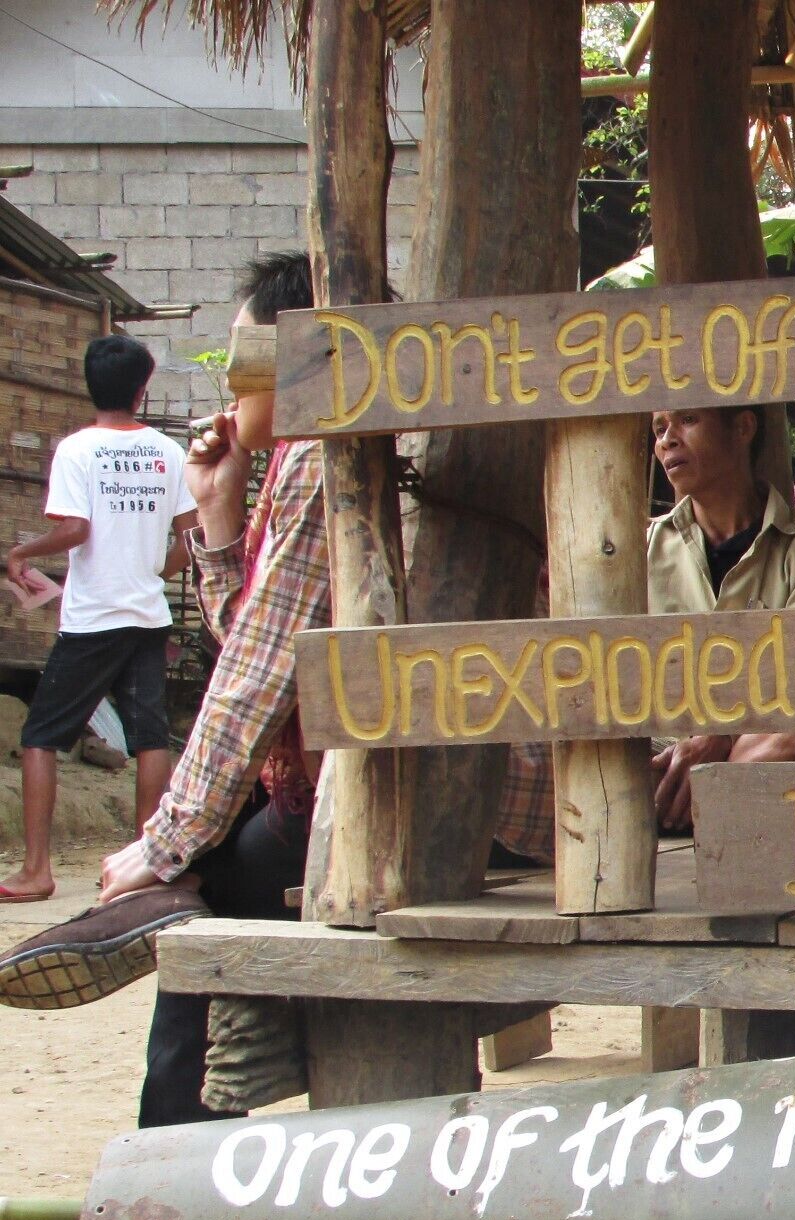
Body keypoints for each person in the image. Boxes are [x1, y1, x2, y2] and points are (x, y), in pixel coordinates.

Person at [75, 251, 551, 1128]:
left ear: (294, 353)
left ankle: (179, 1149)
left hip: (439, 794)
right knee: (222, 863)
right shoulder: (349, 442)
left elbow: (261, 671)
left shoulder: (330, 447)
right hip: (485, 785)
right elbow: (271, 645)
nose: (229, 381)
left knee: (203, 889)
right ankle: (199, 1127)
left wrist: (168, 840)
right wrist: (219, 516)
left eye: (239, 357)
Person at [2, 336, 197, 902]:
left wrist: (21, 554)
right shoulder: (168, 451)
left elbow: (75, 531)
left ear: (91, 386)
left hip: (91, 620)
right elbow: (192, 538)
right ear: (142, 390)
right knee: (149, 738)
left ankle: (36, 870)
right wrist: (154, 571)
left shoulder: (77, 450)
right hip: (146, 615)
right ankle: (142, 869)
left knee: (40, 737)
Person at [643, 405, 795, 829]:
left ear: (742, 427)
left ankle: (708, 803)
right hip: (662, 756)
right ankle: (708, 800)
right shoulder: (643, 549)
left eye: (687, 420)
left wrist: (723, 738)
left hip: (756, 746)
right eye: (660, 428)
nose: (667, 440)